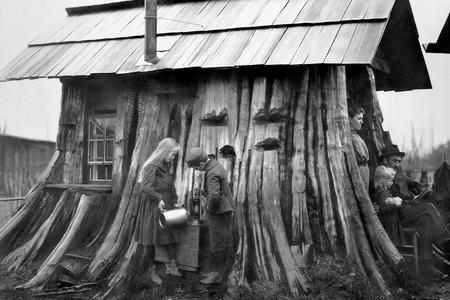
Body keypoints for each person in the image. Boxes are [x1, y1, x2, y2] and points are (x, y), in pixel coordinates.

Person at [380, 144, 450, 275]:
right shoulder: (383, 173)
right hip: (397, 215)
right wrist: (405, 201)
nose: (397, 164)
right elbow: (384, 196)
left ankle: (426, 263)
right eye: (394, 161)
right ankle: (446, 244)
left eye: (399, 162)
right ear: (385, 160)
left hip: (409, 210)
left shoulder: (399, 174)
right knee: (428, 208)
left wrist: (423, 188)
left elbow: (412, 183)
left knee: (426, 221)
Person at [134, 137, 182, 285]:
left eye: (174, 154)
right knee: (150, 238)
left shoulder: (165, 165)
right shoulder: (152, 166)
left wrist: (175, 201)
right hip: (153, 205)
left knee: (170, 234)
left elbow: (169, 186)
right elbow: (146, 188)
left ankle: (172, 267)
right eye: (172, 154)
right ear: (165, 151)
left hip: (166, 203)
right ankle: (151, 270)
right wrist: (159, 198)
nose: (173, 157)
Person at [185, 147, 235, 285]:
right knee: (217, 240)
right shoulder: (215, 165)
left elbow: (215, 196)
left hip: (220, 212)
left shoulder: (211, 172)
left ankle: (217, 275)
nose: (197, 171)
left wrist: (207, 213)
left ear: (201, 164)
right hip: (225, 210)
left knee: (217, 242)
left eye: (196, 168)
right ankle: (216, 271)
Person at [373, 166, 405, 245]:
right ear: (382, 181)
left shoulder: (382, 191)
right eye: (390, 180)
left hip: (389, 219)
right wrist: (398, 204)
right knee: (391, 242)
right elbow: (385, 208)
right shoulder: (384, 193)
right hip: (389, 221)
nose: (392, 183)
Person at [348, 106, 370, 191]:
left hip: (364, 170)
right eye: (359, 118)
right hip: (357, 171)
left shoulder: (356, 135)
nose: (362, 121)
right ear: (350, 119)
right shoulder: (348, 136)